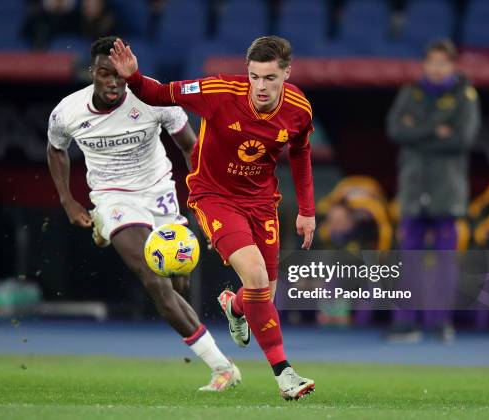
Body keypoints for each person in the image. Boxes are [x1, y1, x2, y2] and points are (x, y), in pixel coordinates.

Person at [109, 35, 316, 400]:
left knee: (262, 291)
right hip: (215, 197)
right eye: (254, 76)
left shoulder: (299, 108)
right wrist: (134, 78)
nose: (261, 86)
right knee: (254, 276)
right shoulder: (218, 91)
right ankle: (285, 374)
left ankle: (233, 306)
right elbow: (162, 95)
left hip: (262, 201)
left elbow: (300, 153)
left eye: (270, 77)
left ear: (287, 73)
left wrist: (307, 210)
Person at [46, 36, 240, 392]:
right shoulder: (67, 111)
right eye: (104, 73)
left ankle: (105, 229)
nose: (112, 82)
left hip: (159, 193)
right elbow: (56, 149)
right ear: (93, 71)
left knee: (178, 281)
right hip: (113, 197)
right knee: (154, 279)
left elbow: (190, 147)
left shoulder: (155, 101)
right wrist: (68, 200)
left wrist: (206, 200)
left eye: (118, 75)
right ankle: (221, 366)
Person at [386, 39, 480, 342]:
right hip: (414, 187)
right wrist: (436, 128)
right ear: (425, 64)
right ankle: (405, 323)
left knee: (444, 260)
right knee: (407, 257)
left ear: (451, 65)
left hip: (447, 189)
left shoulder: (465, 95)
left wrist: (417, 131)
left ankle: (439, 322)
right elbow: (395, 131)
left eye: (443, 63)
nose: (437, 68)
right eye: (432, 62)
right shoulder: (409, 92)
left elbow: (462, 139)